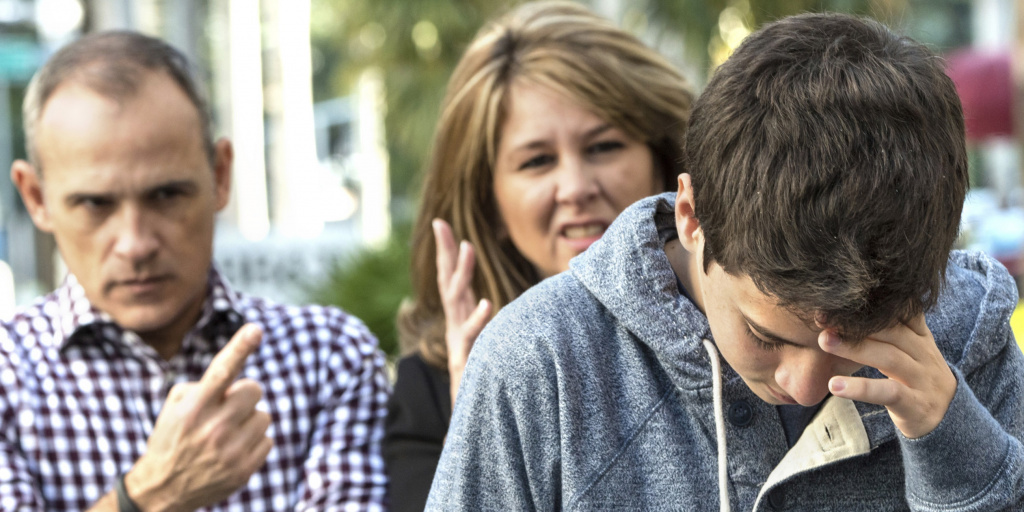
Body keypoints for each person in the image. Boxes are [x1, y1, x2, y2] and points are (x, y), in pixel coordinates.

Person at [427, 12, 1024, 511]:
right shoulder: (538, 365)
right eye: (766, 334)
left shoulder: (969, 338)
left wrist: (956, 453)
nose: (810, 382)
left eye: (862, 336)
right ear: (692, 216)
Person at [3, 31, 389, 511]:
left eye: (166, 195)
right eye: (95, 204)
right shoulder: (8, 377)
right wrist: (151, 494)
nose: (136, 243)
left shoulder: (329, 359)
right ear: (36, 198)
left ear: (220, 175)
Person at [382, 2, 694, 509]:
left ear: (665, 164)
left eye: (604, 147)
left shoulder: (751, 341)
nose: (575, 187)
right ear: (490, 203)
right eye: (537, 161)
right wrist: (484, 427)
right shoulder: (431, 387)